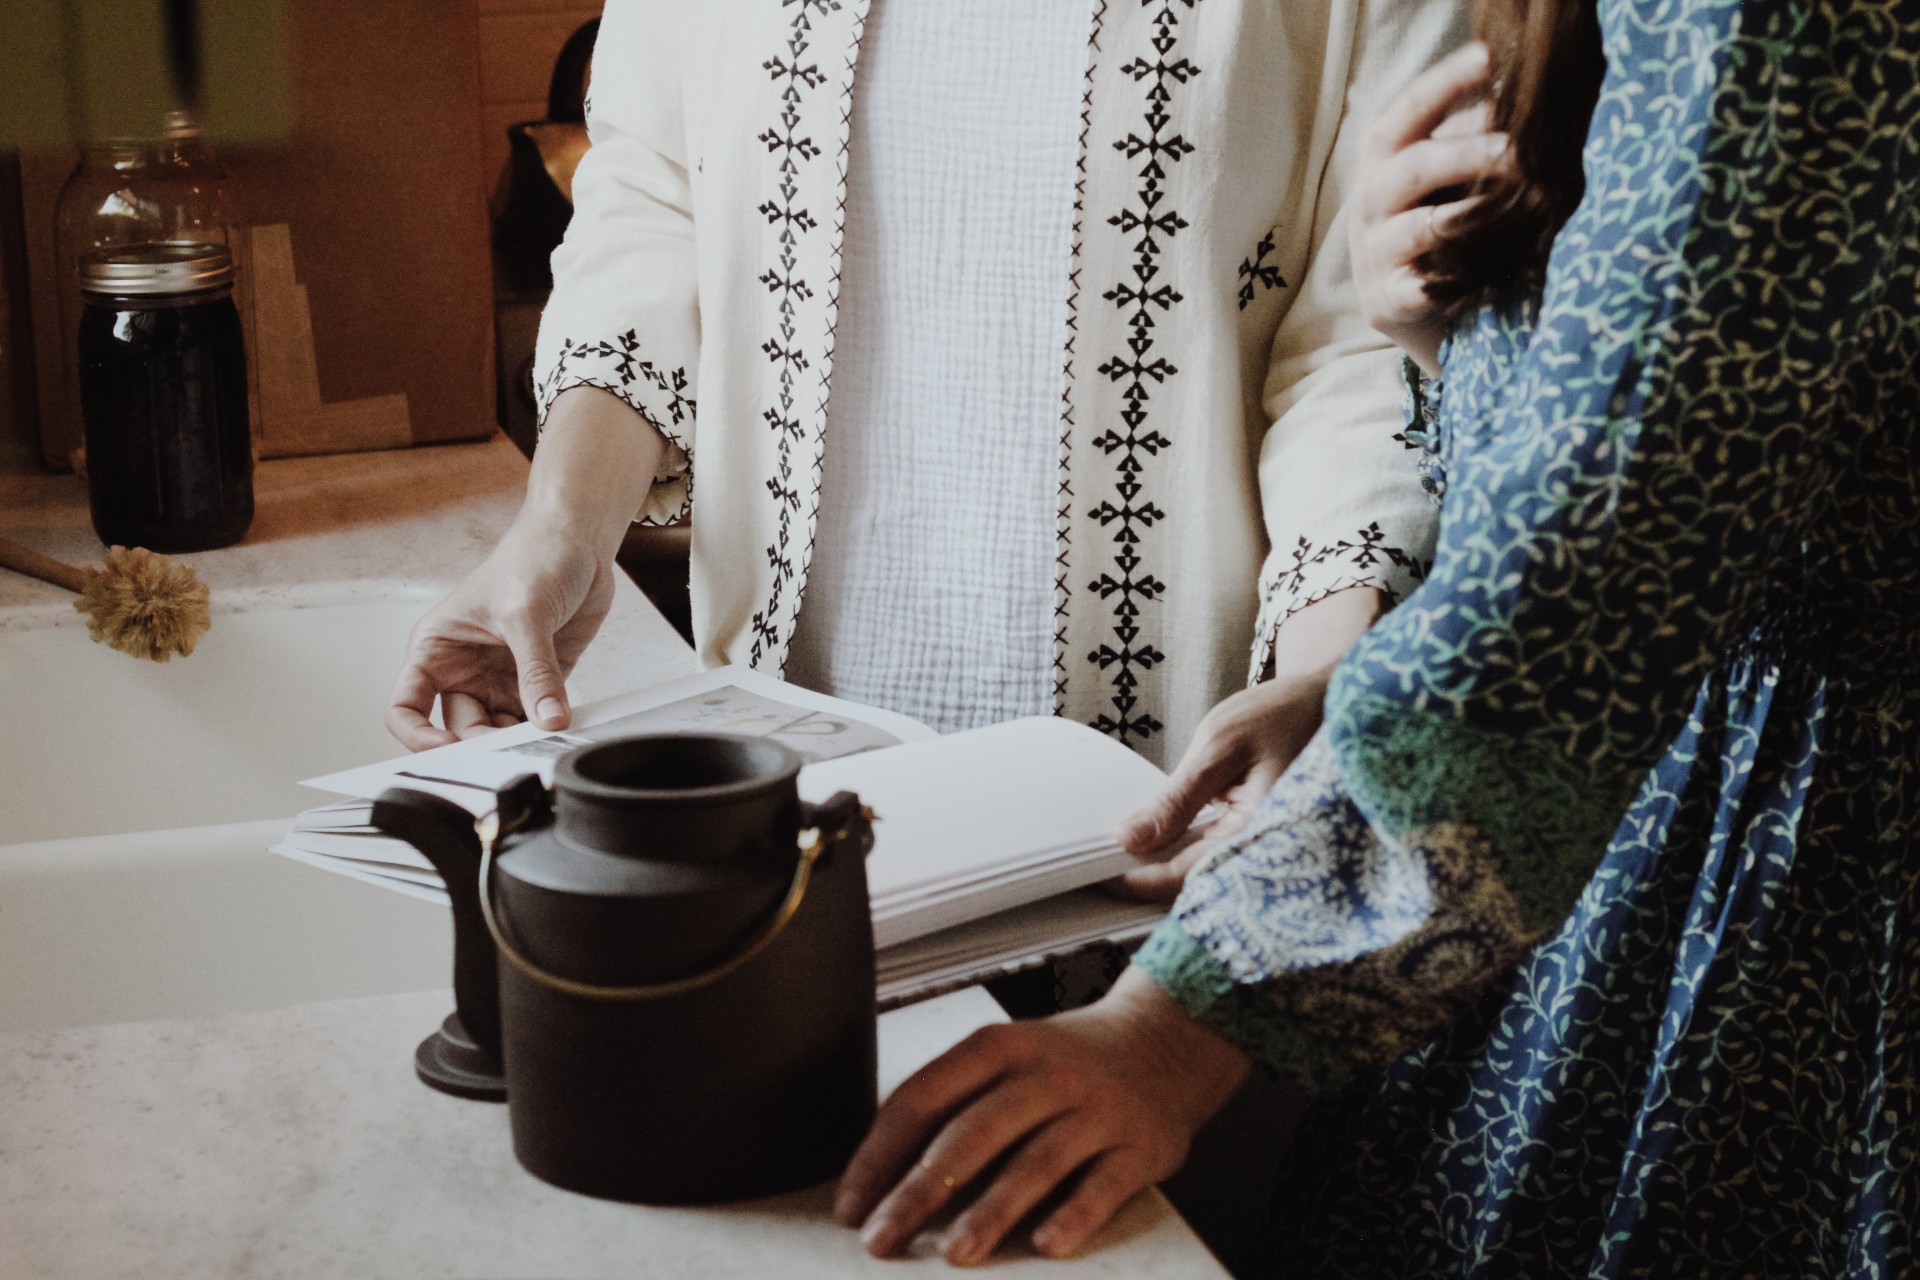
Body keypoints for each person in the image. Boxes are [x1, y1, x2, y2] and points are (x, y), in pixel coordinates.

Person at [833, 0, 1920, 1270]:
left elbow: (1588, 584)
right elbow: (1724, 467)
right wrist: (1367, 647)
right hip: (1650, 825)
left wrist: (1173, 1031)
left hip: (1793, 894)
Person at [384, 0, 1468, 890]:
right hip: (774, 801)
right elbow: (653, 202)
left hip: (1179, 801)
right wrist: (560, 527)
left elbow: (1365, 342)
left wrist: (1333, 695)